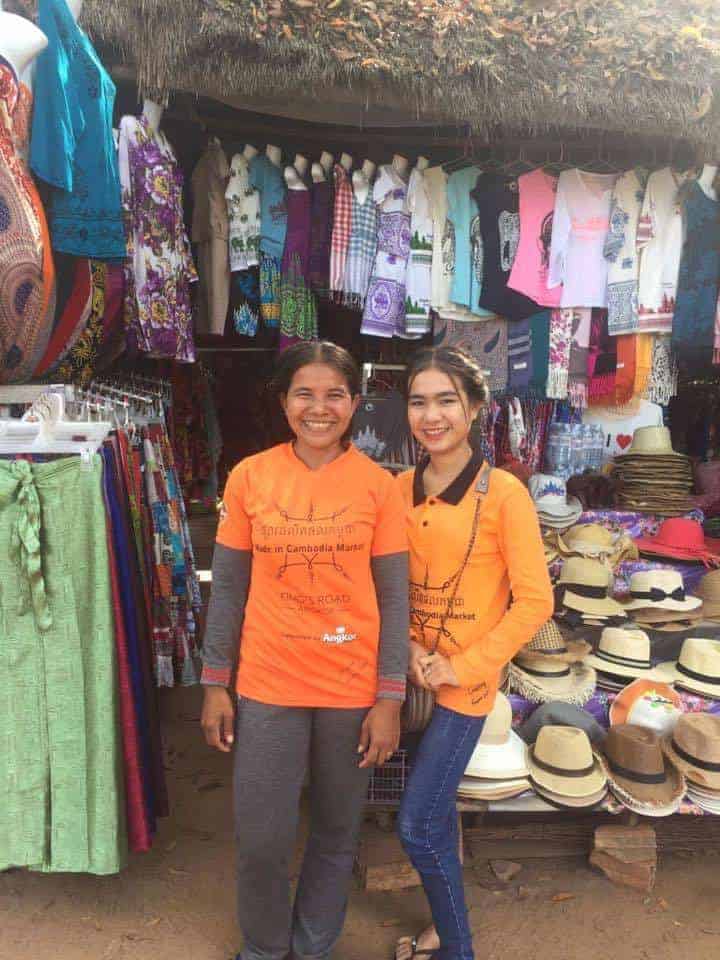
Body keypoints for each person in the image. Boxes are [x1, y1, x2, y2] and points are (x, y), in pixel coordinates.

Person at [200, 340, 409, 960]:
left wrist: (389, 697)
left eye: (335, 395)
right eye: (305, 394)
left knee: (337, 830)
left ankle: (313, 945)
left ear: (354, 402)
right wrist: (216, 681)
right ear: (284, 400)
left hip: (351, 689)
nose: (319, 409)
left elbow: (394, 599)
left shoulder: (380, 487)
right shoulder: (250, 477)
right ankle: (265, 948)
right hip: (268, 685)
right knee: (262, 837)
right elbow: (229, 587)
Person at [395, 346, 553, 960]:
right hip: (407, 679)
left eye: (445, 401)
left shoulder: (506, 494)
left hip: (466, 688)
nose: (430, 416)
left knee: (415, 823)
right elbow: (390, 584)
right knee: (435, 821)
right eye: (417, 401)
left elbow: (534, 602)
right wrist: (407, 645)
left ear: (476, 408)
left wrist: (463, 665)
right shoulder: (398, 488)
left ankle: (456, 948)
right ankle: (443, 925)